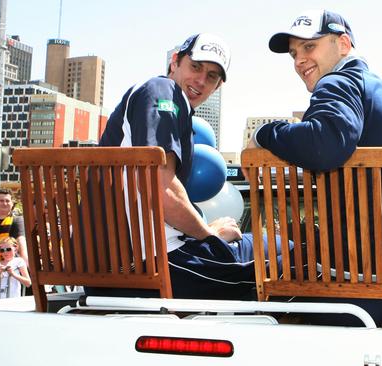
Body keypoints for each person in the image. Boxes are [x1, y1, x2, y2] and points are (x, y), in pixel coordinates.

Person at [247, 9, 382, 326]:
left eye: (309, 47)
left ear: (343, 44)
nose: (298, 61)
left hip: (369, 286)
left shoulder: (338, 82)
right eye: (294, 53)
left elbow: (325, 144)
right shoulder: (376, 89)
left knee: (259, 275)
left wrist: (264, 133)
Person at [92, 33, 283, 300]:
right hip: (158, 267)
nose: (201, 80)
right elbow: (161, 190)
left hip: (117, 266)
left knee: (268, 245)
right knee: (294, 256)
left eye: (212, 76)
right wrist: (209, 235)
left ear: (217, 87)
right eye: (196, 67)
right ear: (175, 62)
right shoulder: (163, 91)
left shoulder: (156, 99)